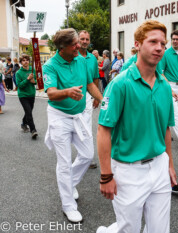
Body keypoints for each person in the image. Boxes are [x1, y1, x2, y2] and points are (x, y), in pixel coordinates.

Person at [96, 20, 177, 233]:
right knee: (128, 229)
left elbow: (166, 129)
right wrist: (106, 175)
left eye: (163, 43)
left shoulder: (164, 86)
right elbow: (104, 130)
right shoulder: (120, 84)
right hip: (128, 172)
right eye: (153, 42)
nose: (159, 47)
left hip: (159, 166)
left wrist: (169, 164)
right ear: (138, 44)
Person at [43, 28, 103, 223]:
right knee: (64, 162)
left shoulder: (81, 61)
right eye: (75, 44)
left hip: (78, 116)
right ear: (62, 47)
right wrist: (67, 92)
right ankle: (68, 205)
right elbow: (51, 93)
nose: (79, 46)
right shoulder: (50, 65)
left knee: (87, 155)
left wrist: (103, 101)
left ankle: (69, 183)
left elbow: (90, 84)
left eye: (79, 42)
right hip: (59, 117)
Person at [78, 30, 100, 169]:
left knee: (87, 126)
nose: (85, 41)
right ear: (77, 39)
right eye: (82, 39)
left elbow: (95, 78)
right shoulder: (73, 56)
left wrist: (96, 97)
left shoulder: (92, 58)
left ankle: (88, 156)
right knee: (75, 128)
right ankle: (81, 154)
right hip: (72, 97)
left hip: (87, 96)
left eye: (87, 39)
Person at [16, 54, 38, 139]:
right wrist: (28, 79)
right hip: (23, 95)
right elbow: (20, 85)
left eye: (27, 60)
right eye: (24, 60)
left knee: (28, 111)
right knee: (29, 112)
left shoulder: (33, 70)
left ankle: (23, 124)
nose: (26, 62)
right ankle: (33, 130)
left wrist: (34, 81)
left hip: (31, 94)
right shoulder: (18, 73)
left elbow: (36, 81)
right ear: (21, 62)